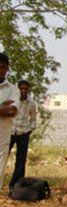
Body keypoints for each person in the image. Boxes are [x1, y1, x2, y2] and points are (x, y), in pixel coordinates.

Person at [9, 80, 37, 192]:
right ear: (18, 89)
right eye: (22, 88)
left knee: (21, 160)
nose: (24, 91)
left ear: (28, 90)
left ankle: (15, 186)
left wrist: (30, 130)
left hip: (23, 133)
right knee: (2, 157)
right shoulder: (12, 100)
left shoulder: (32, 103)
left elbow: (33, 119)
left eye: (26, 89)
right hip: (10, 131)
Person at [0, 52, 19, 190]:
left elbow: (11, 111)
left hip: (3, 132)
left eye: (3, 67)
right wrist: (2, 107)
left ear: (7, 69)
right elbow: (5, 110)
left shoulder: (13, 90)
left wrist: (6, 109)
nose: (0, 70)